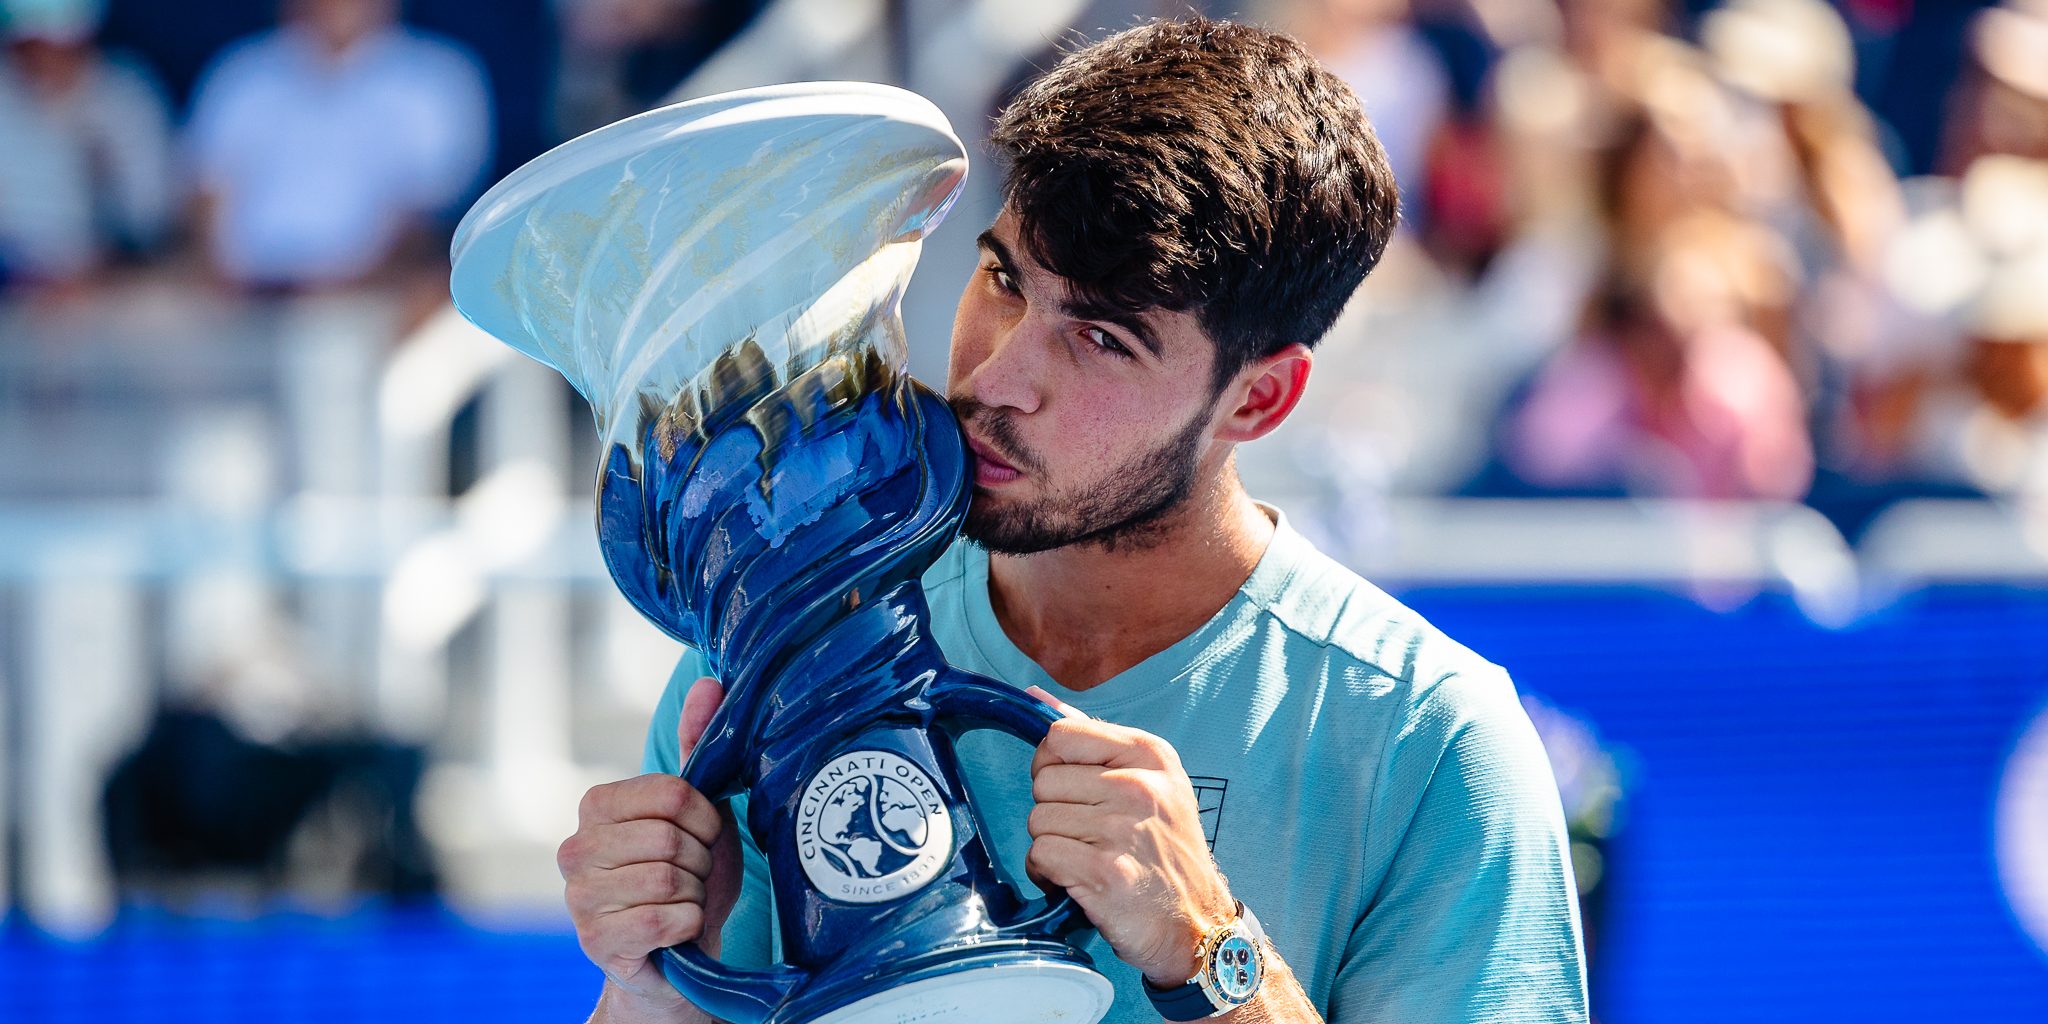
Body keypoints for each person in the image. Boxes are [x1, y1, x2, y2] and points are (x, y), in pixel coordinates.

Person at [556, 16, 1588, 1024]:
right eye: (1003, 277)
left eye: (1101, 337)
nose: (998, 374)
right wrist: (647, 989)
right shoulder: (773, 636)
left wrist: (1211, 954)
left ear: (1257, 400)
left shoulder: (1436, 739)